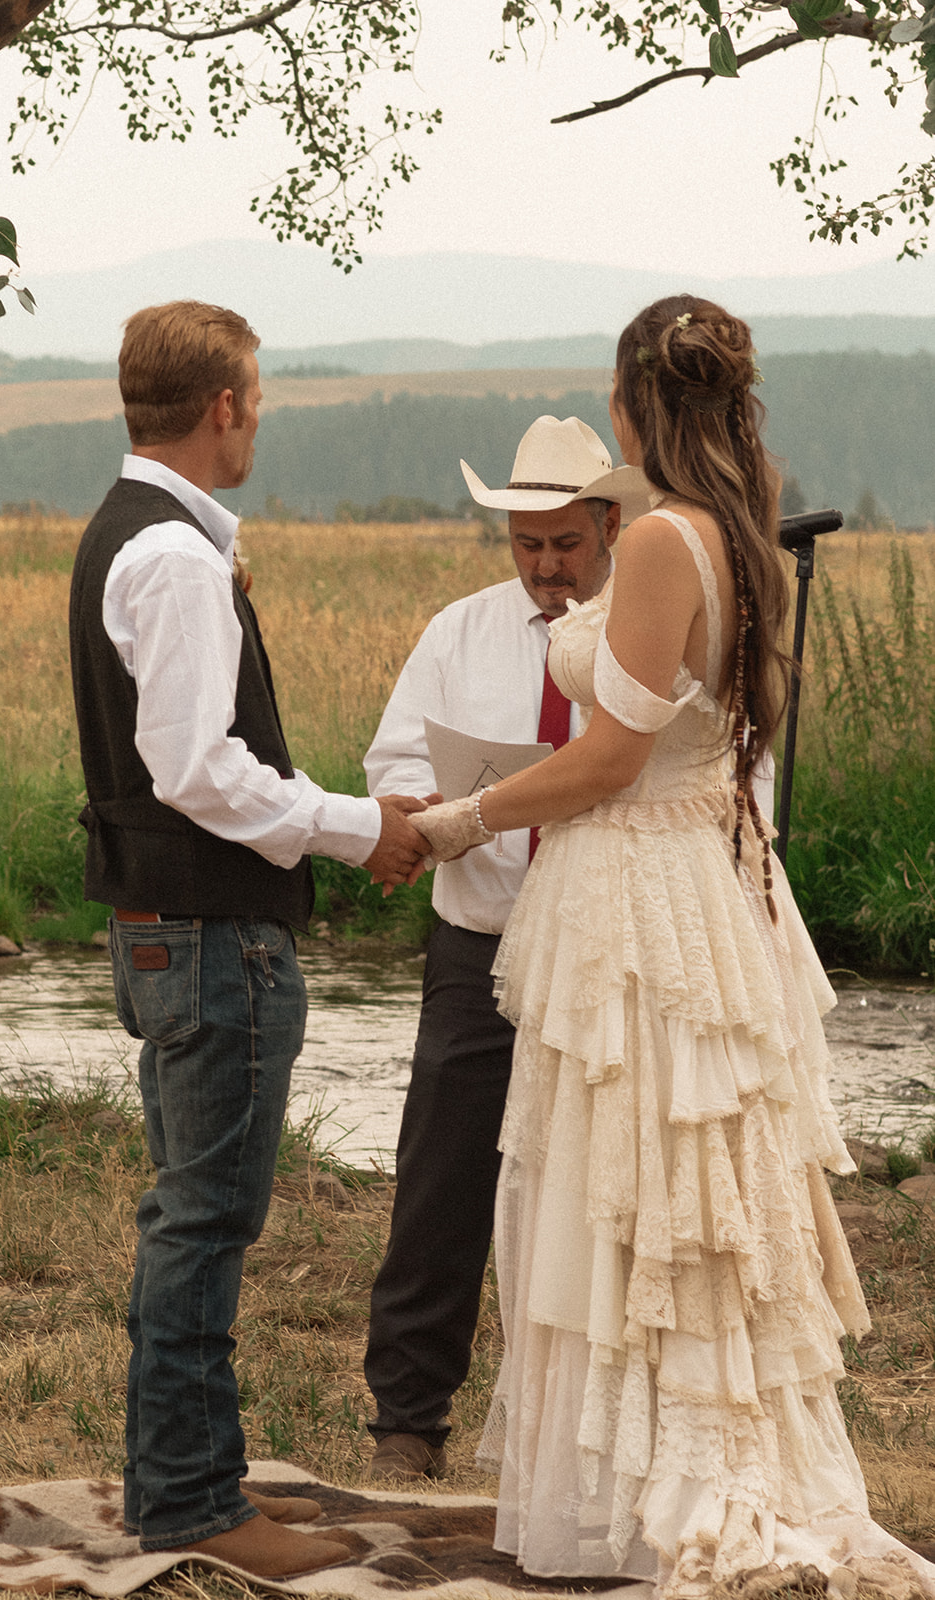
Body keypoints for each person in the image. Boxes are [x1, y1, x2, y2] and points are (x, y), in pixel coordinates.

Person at [415, 296, 935, 1596]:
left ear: (632, 401)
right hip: (697, 873)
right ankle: (650, 1477)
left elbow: (607, 756)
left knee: (639, 1190)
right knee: (671, 1192)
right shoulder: (739, 535)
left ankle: (676, 1495)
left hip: (640, 894)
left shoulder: (656, 541)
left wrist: (459, 815)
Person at [68, 300, 428, 1581]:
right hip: (215, 937)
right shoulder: (170, 555)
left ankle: (194, 1480)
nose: (258, 419)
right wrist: (355, 826)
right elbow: (196, 773)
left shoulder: (140, 533)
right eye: (256, 400)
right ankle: (188, 1502)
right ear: (222, 405)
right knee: (203, 1223)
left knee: (193, 1217)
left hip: (176, 929)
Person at [362, 415, 651, 1481]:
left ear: (607, 525)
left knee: (605, 1184)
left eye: (562, 544)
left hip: (604, 952)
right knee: (438, 1180)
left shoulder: (647, 628)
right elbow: (390, 751)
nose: (541, 566)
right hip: (475, 942)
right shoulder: (458, 631)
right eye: (524, 544)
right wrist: (422, 801)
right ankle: (406, 1419)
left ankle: (594, 1426)